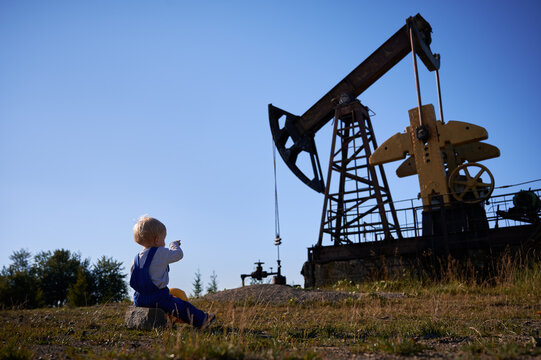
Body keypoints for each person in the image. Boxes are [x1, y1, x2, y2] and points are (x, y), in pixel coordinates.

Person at [129, 215, 215, 329]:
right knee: (181, 306)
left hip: (139, 299)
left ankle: (167, 320)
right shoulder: (160, 252)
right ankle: (203, 320)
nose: (164, 243)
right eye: (163, 239)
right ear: (156, 239)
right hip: (158, 297)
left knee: (171, 303)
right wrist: (173, 245)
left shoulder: (136, 259)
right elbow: (178, 255)